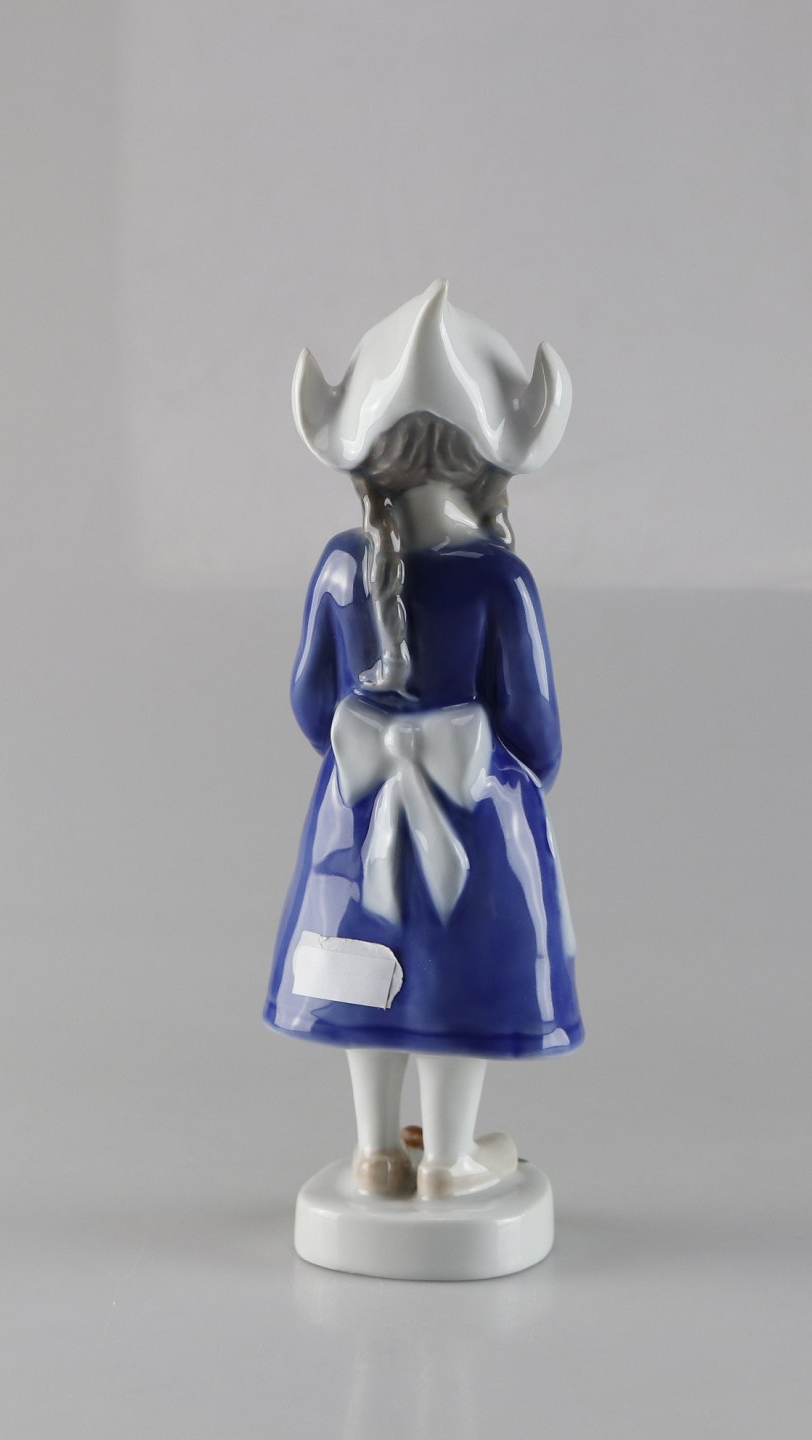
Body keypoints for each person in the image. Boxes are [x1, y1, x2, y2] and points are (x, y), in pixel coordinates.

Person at [263, 281, 582, 1201]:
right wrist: (489, 779)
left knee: (364, 965)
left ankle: (374, 1154)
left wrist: (369, 751)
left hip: (356, 813)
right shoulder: (499, 579)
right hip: (470, 810)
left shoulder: (340, 566)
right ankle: (447, 1160)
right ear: (489, 463)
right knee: (455, 975)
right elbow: (536, 731)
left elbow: (309, 704)